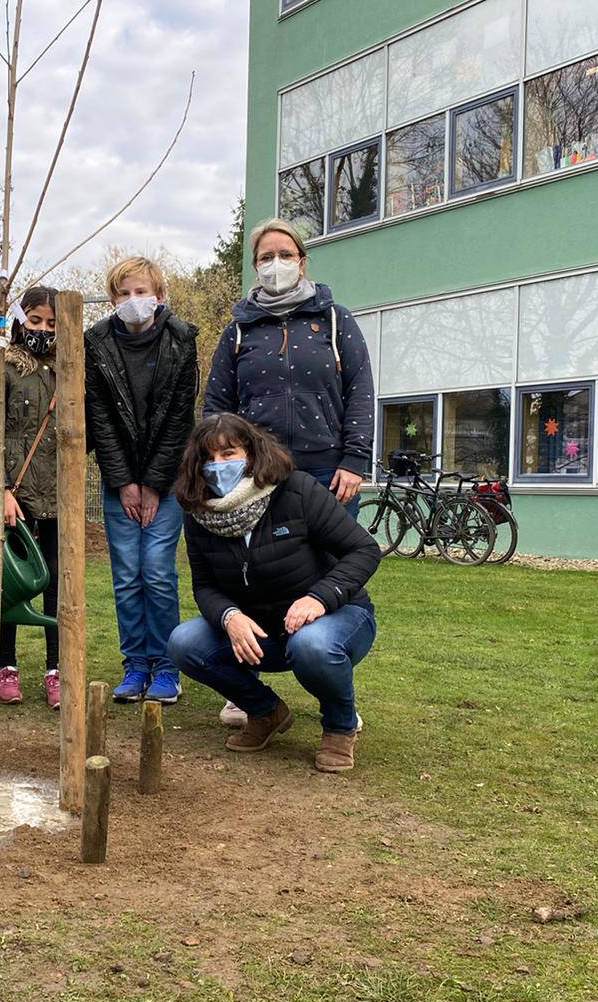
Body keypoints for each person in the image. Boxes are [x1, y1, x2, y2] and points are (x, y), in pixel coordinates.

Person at [201, 217, 376, 729]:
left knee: (324, 585)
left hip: (327, 471)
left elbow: (361, 390)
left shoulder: (336, 321)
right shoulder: (238, 330)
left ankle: (333, 686)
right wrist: (224, 464)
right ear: (254, 266)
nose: (274, 263)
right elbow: (217, 407)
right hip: (253, 477)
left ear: (302, 260)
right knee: (246, 569)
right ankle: (246, 686)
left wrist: (355, 458)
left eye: (285, 253)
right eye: (264, 256)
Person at [167, 413, 380, 773]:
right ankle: (265, 712)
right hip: (261, 632)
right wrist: (229, 617)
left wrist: (320, 597)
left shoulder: (298, 490)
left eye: (229, 453)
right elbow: (204, 585)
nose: (218, 465)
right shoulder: (198, 512)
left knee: (311, 646)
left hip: (336, 619)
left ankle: (340, 727)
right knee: (184, 643)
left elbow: (363, 550)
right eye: (209, 458)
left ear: (251, 453)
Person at [86, 255, 200, 704]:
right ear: (113, 299)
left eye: (142, 291)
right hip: (119, 481)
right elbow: (100, 418)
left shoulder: (181, 339)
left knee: (156, 571)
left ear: (159, 295)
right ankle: (135, 664)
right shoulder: (95, 343)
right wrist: (124, 482)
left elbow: (179, 417)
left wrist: (153, 483)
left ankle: (166, 666)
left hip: (166, 480)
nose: (134, 301)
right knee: (127, 574)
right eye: (124, 293)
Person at [0, 286, 64, 709]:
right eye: (35, 321)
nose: (43, 330)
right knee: (6, 580)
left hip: (57, 494)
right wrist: (2, 490)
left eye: (51, 324)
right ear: (18, 321)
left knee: (56, 586)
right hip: (15, 495)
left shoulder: (67, 372)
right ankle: (4, 664)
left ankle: (56, 668)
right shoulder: (3, 369)